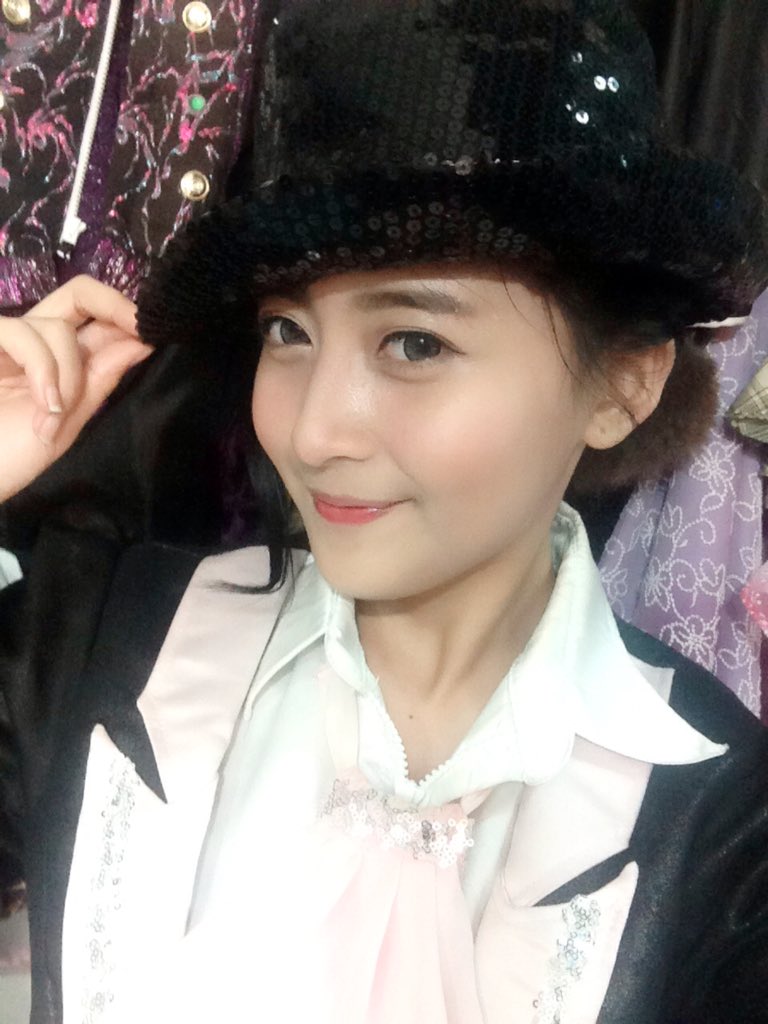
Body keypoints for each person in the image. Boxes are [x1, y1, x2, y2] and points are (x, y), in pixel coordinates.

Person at [2, 1, 768, 1022]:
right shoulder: (97, 636)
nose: (316, 431)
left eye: (414, 343)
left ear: (624, 382)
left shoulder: (729, 828)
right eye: (288, 332)